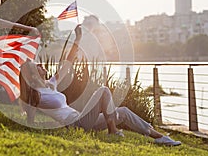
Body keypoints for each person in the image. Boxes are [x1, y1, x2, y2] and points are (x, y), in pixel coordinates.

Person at [19, 24, 181, 146]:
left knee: (123, 112)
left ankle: (160, 138)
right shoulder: (36, 94)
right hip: (75, 124)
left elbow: (68, 62)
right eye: (37, 66)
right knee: (103, 90)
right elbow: (30, 119)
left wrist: (78, 39)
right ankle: (112, 130)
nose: (41, 66)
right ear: (33, 75)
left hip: (82, 119)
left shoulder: (51, 84)